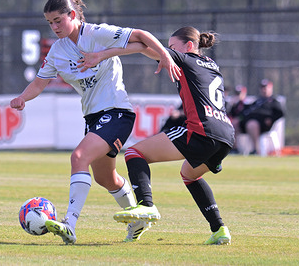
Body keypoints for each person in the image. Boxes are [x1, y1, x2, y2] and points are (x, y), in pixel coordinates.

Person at [10, 0, 180, 245]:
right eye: (50, 23)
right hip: (94, 116)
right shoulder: (57, 51)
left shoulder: (97, 33)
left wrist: (165, 56)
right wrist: (23, 97)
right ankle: (137, 220)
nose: (54, 27)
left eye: (58, 20)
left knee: (79, 157)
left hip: (117, 112)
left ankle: (70, 223)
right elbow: (39, 82)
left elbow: (141, 36)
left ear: (72, 15)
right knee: (105, 178)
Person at [81, 26, 234, 244]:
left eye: (172, 48)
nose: (167, 52)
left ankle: (146, 205)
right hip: (226, 136)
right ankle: (219, 229)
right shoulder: (212, 65)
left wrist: (102, 54)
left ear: (189, 47)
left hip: (202, 131)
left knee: (134, 152)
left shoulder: (185, 59)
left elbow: (146, 47)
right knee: (189, 174)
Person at [234, 79, 284, 155]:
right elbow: (246, 111)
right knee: (233, 123)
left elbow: (280, 113)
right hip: (248, 121)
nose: (264, 90)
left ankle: (255, 150)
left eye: (266, 87)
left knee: (251, 124)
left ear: (271, 88)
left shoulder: (274, 101)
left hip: (263, 125)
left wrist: (271, 119)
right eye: (262, 88)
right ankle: (235, 149)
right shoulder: (258, 101)